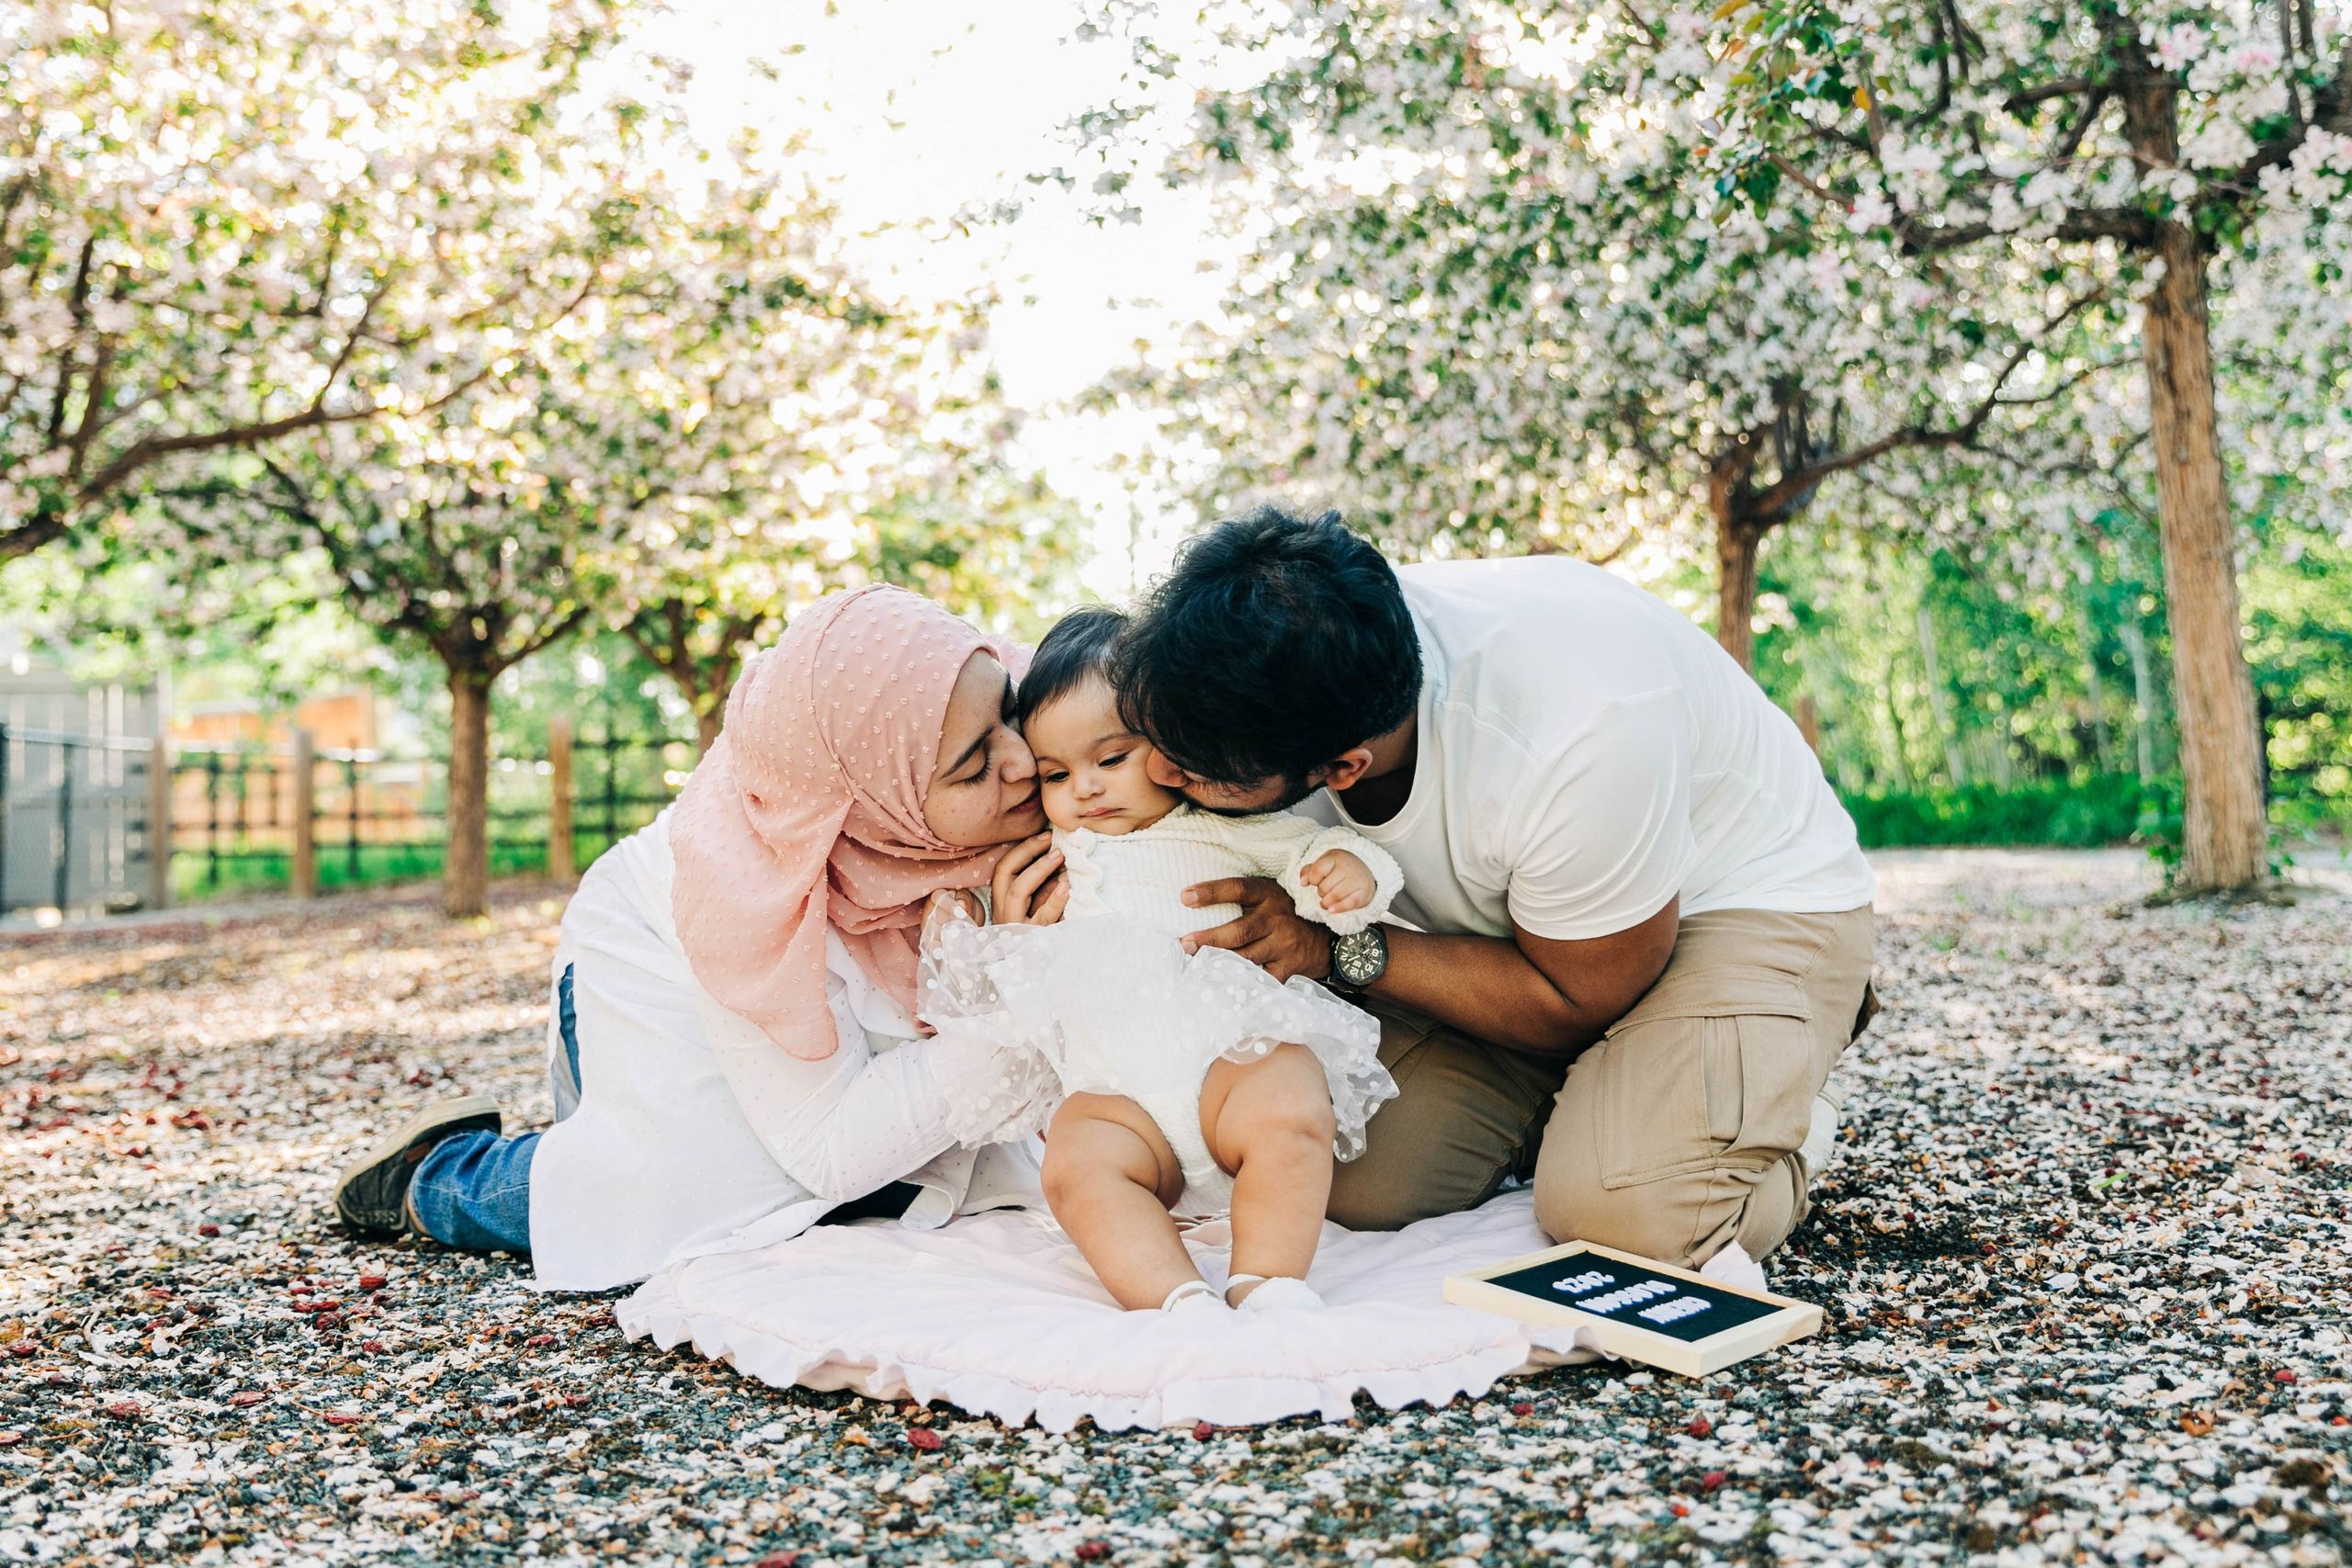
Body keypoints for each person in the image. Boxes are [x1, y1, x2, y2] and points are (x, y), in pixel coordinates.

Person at [1113, 506, 1880, 1272]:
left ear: (1343, 766)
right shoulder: (1272, 667)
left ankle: (1780, 1102)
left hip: (1732, 904)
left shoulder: (1580, 731)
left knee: (1630, 1218)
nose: (1158, 774)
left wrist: (1335, 948)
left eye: (1194, 772)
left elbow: (1580, 994)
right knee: (1340, 1166)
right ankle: (1618, 1103)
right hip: (1513, 933)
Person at [330, 585, 1074, 1291]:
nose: (1021, 760)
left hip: (806, 1003)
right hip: (654, 959)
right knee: (718, 1190)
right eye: (975, 765)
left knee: (916, 1155)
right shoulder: (750, 898)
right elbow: (831, 1148)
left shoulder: (1030, 742)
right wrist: (1017, 991)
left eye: (1008, 709)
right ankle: (440, 1173)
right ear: (876, 810)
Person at [921, 607, 1399, 1314]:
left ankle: (1267, 1281)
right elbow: (981, 984)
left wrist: (1348, 874)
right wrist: (988, 926)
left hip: (1228, 1065)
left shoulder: (1221, 826)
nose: (1084, 787)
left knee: (1293, 1105)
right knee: (1073, 1167)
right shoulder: (1050, 855)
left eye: (1110, 759)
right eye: (1056, 773)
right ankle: (1173, 1298)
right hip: (1117, 1099)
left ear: (1171, 746)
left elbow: (1308, 853)